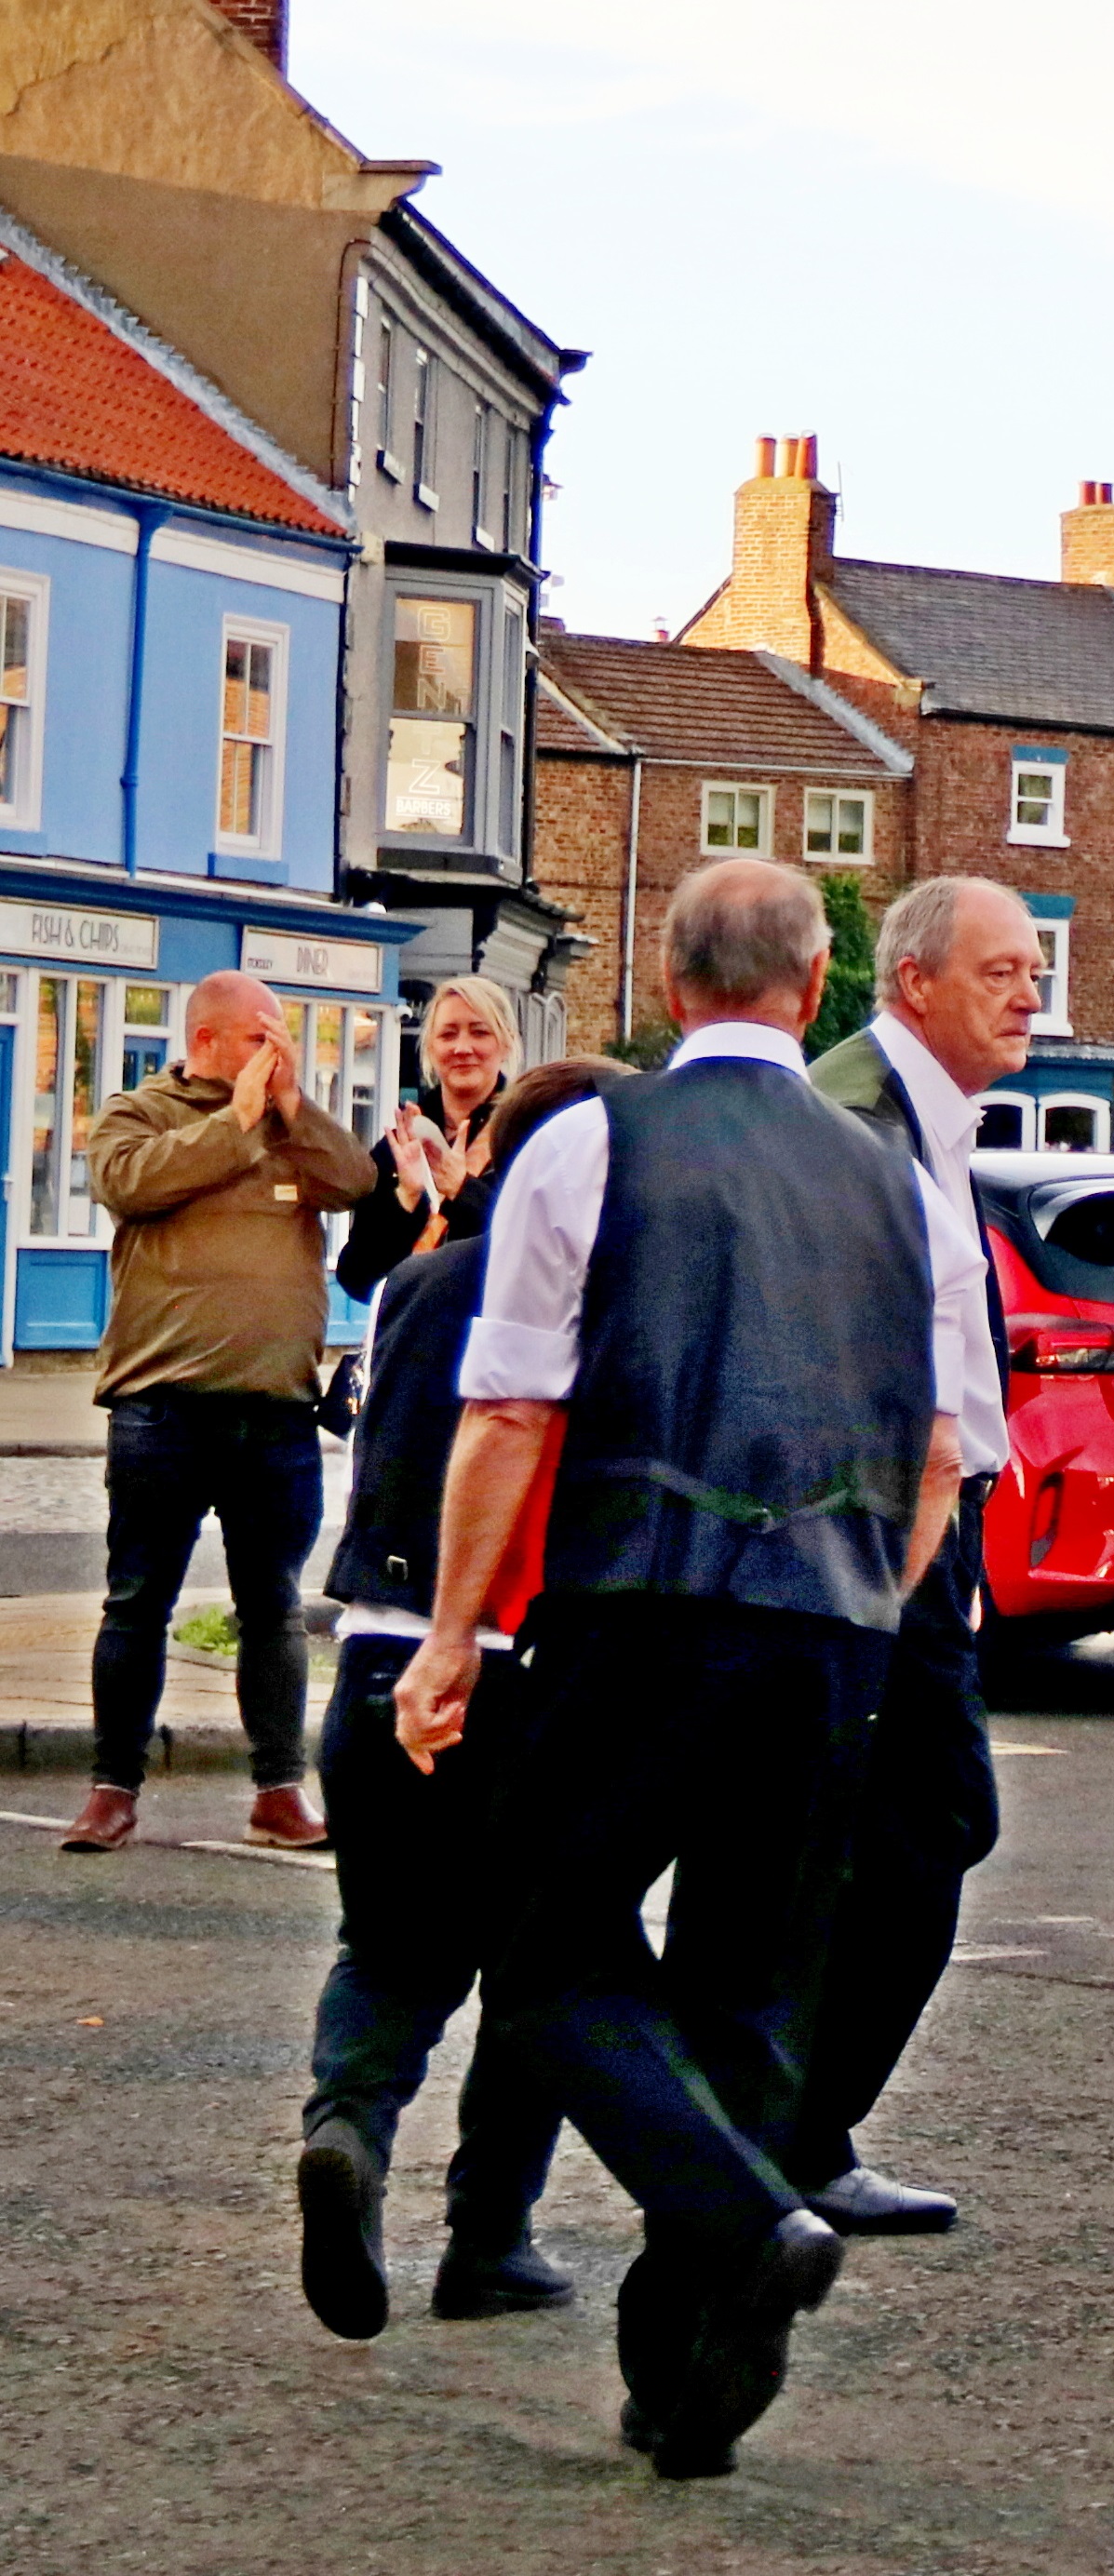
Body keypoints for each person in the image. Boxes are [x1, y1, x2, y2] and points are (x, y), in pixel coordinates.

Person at [394, 858, 974, 2481]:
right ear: (811, 990)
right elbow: (943, 1448)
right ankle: (690, 2387)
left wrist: (451, 1634)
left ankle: (741, 2212)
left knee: (548, 1947)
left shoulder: (593, 1136)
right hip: (833, 1630)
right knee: (744, 1993)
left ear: (667, 983)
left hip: (637, 1605)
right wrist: (867, 1594)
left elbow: (507, 1407)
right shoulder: (898, 1182)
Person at [297, 1055, 631, 2345]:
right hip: (519, 1659)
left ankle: (349, 2133)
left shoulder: (411, 1286)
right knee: (536, 1961)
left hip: (377, 1645)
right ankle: (490, 2236)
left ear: (489, 1151)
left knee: (386, 1944)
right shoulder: (610, 1296)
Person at [801, 875, 1038, 2233]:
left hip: (934, 1526)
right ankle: (790, 2135)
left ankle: (790, 2129)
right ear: (914, 984)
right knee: (926, 1826)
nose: (1028, 994)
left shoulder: (928, 1116)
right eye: (998, 971)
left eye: (1028, 970)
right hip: (883, 1532)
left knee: (885, 1834)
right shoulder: (856, 1121)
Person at [62, 972, 376, 1855]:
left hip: (274, 1414)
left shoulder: (291, 1129)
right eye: (262, 1036)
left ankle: (279, 1789)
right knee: (135, 1603)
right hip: (162, 1411)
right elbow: (129, 1184)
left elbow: (352, 1180)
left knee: (272, 1607)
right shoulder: (140, 1114)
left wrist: (290, 1106)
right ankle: (111, 1788)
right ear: (206, 1039)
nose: (279, 1051)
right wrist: (235, 1121)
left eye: (283, 1037)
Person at [335, 976, 517, 1301]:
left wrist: (464, 1191)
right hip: (413, 1342)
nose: (462, 1048)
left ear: (506, 1043)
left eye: (479, 1032)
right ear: (431, 1048)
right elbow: (357, 1278)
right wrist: (406, 1198)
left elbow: (534, 1254)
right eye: (448, 1034)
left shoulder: (530, 1135)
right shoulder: (402, 1142)